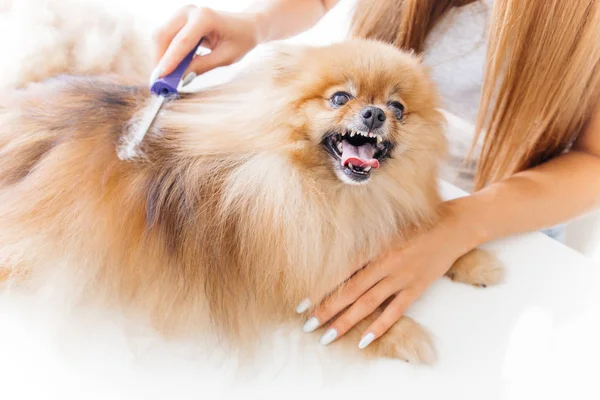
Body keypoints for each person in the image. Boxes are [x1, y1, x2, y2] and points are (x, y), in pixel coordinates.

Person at [151, 0, 600, 350]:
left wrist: (458, 224)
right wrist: (256, 24)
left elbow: (594, 161)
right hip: (352, 173)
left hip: (512, 208)